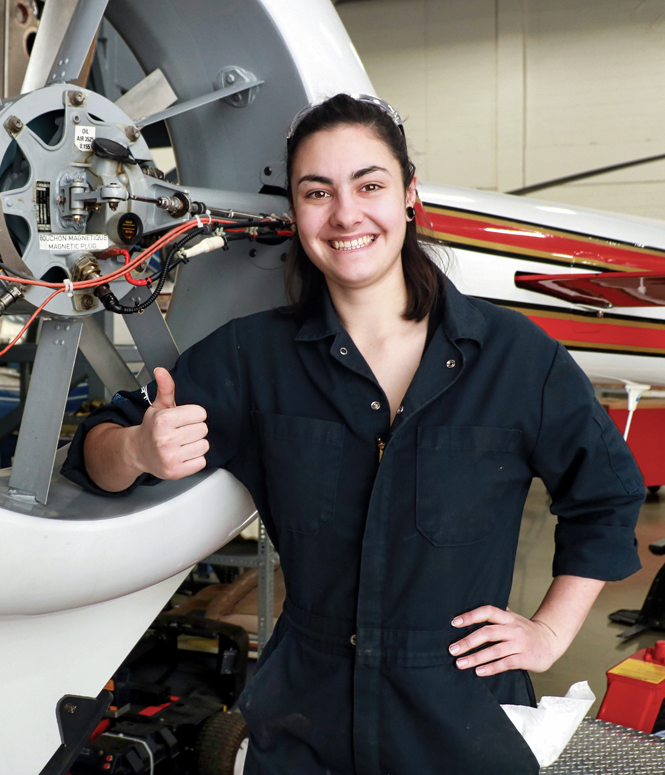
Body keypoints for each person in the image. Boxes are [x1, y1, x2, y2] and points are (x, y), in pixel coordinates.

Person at [62, 94, 644, 774]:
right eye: (318, 192)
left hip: (462, 718)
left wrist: (549, 631)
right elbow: (95, 450)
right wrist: (137, 448)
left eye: (369, 185)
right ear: (295, 211)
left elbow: (605, 494)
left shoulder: (515, 356)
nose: (345, 214)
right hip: (305, 721)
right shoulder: (252, 359)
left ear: (408, 194)